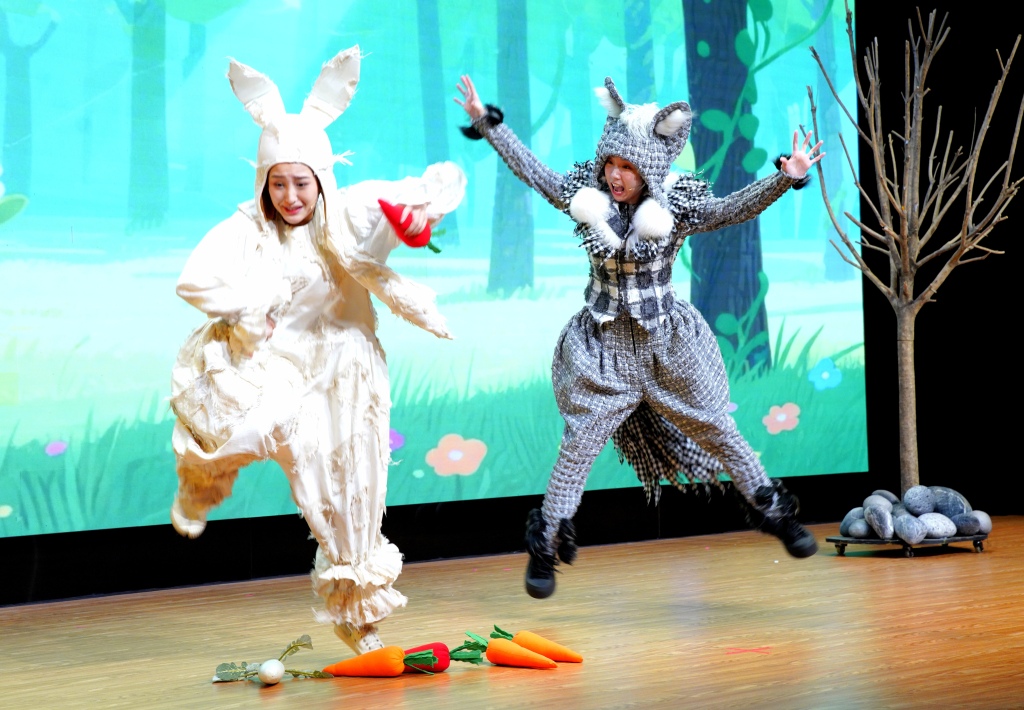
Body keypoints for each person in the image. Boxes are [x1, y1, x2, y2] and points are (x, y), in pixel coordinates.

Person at [455, 74, 824, 599]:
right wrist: (488, 124)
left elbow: (729, 210)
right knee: (578, 445)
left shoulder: (675, 206)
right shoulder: (586, 198)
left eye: (628, 166)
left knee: (719, 428)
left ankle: (776, 514)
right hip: (604, 347)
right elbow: (535, 172)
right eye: (611, 163)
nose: (616, 174)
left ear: (648, 168)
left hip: (666, 346)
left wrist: (785, 179)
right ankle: (546, 543)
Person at [168, 46, 466, 654]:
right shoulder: (248, 228)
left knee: (346, 488)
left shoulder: (348, 211)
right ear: (263, 182)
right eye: (277, 183)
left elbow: (418, 195)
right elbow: (193, 279)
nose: (290, 196)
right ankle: (203, 480)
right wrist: (245, 307)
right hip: (272, 364)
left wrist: (420, 215)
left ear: (321, 179)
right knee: (251, 428)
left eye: (300, 183)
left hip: (346, 367)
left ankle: (359, 616)